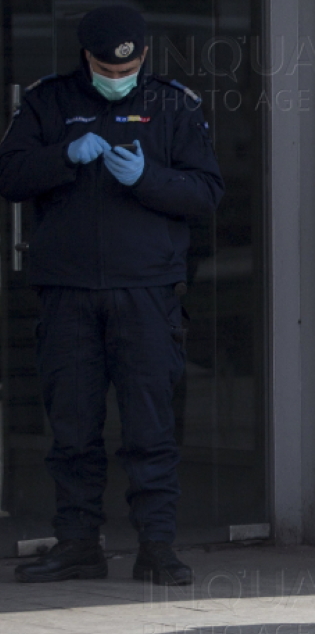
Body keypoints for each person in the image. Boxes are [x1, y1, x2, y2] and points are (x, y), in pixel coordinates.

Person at [0, 6, 223, 586]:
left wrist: (147, 179)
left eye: (127, 65)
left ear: (143, 56)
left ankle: (157, 546)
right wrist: (62, 157)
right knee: (72, 429)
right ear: (87, 58)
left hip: (146, 290)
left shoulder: (175, 105)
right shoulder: (48, 102)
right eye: (104, 65)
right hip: (68, 291)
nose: (116, 74)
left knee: (150, 428)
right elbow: (10, 175)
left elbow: (206, 194)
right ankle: (78, 543)